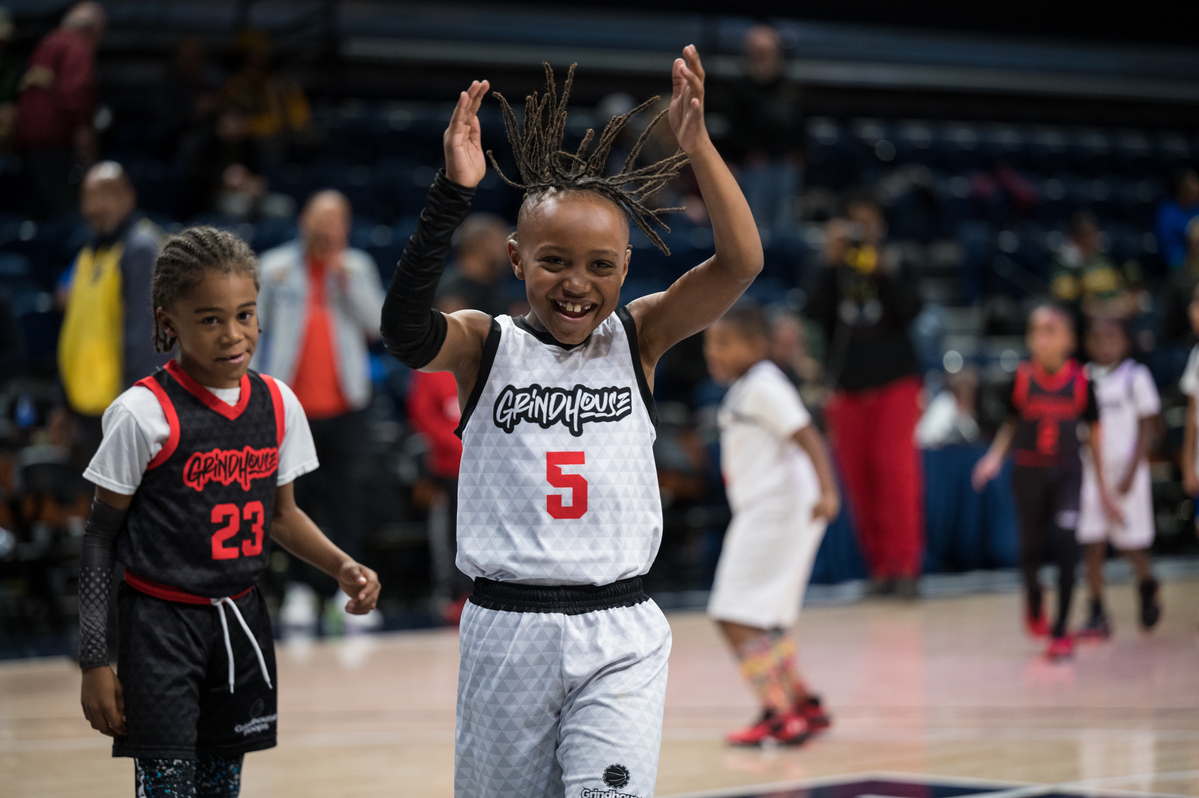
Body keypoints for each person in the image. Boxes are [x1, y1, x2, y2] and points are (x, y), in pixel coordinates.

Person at [381, 48, 762, 798]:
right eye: (555, 261)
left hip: (618, 626)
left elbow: (740, 262)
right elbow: (403, 333)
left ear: (625, 266)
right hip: (505, 627)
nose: (577, 284)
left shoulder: (639, 337)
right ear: (517, 259)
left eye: (601, 265)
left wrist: (698, 148)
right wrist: (452, 194)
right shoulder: (485, 345)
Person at [76, 226, 381, 796]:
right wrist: (95, 659)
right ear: (170, 323)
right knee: (168, 787)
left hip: (240, 621)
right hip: (160, 628)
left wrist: (341, 566)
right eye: (211, 319)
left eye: (245, 314)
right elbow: (98, 537)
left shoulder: (277, 401)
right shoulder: (142, 414)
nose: (234, 334)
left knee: (222, 788)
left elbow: (282, 516)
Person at [702, 300, 839, 746]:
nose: (714, 353)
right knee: (764, 618)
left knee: (731, 613)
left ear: (758, 346)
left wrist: (828, 489)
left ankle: (778, 712)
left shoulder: (763, 384)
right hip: (776, 508)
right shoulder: (750, 385)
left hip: (775, 508)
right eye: (710, 345)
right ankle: (801, 703)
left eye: (725, 343)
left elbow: (807, 434)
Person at [253, 189, 385, 634]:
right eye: (319, 222)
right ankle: (300, 590)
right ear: (303, 223)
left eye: (336, 223)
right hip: (291, 408)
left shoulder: (357, 268)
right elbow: (255, 333)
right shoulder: (274, 268)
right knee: (295, 504)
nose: (328, 231)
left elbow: (376, 325)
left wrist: (342, 279)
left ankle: (349, 589)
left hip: (347, 404)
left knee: (349, 501)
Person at [972, 305, 1116, 660]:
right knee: (1031, 550)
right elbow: (1010, 424)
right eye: (1036, 331)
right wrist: (993, 459)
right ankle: (1034, 597)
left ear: (1069, 339)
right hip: (1029, 472)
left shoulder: (1083, 383)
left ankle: (1060, 630)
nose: (1042, 338)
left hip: (1067, 472)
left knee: (1067, 545)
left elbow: (1094, 437)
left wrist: (1104, 487)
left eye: (1051, 331)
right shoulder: (1020, 379)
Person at [808, 194, 925, 596]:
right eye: (854, 223)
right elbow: (813, 313)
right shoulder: (834, 266)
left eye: (869, 223)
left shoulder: (898, 261)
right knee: (859, 481)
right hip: (846, 388)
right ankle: (879, 569)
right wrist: (828, 260)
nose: (862, 232)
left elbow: (912, 311)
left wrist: (883, 273)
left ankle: (905, 566)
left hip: (895, 384)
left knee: (896, 476)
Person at [57, 162, 167, 463]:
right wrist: (65, 403)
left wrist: (134, 411)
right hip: (88, 407)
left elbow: (146, 339)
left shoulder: (141, 248)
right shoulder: (89, 252)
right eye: (87, 198)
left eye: (103, 196)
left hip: (121, 409)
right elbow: (74, 330)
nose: (92, 207)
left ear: (127, 198)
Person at [1076, 317, 1161, 639]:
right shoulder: (1083, 378)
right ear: (1087, 344)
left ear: (1125, 342)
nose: (1104, 344)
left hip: (1127, 471)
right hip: (1091, 470)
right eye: (1097, 337)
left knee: (1129, 543)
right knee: (1092, 542)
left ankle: (1147, 583)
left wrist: (1131, 470)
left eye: (1111, 337)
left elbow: (1147, 425)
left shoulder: (1136, 376)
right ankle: (1097, 609)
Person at [14, 2, 106, 219]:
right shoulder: (77, 46)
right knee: (65, 209)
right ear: (92, 30)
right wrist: (84, 127)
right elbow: (75, 93)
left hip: (27, 140)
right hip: (54, 141)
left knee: (38, 211)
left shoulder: (47, 43)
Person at [719, 24, 804, 234]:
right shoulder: (738, 91)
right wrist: (742, 156)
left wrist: (798, 155)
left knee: (785, 225)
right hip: (752, 168)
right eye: (756, 52)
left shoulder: (790, 89)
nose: (761, 58)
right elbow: (732, 131)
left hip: (785, 166)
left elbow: (800, 127)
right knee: (754, 228)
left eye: (766, 52)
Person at [407, 367, 471, 622]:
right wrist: (460, 444)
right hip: (448, 469)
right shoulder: (430, 368)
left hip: (488, 469)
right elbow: (422, 414)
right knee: (450, 532)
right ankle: (454, 592)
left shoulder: (486, 358)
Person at [436, 213, 513, 317]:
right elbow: (456, 331)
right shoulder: (452, 291)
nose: (509, 251)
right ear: (484, 244)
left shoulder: (493, 285)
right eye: (502, 242)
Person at [1156, 168, 1199, 272]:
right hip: (1176, 267)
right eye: (1193, 182)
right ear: (1182, 187)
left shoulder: (1196, 209)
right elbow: (1169, 252)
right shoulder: (1167, 212)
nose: (1197, 186)